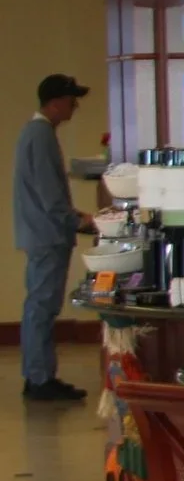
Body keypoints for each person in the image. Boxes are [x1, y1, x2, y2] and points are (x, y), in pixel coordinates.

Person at [14, 74, 94, 402]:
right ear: (55, 101)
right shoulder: (41, 135)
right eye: (71, 99)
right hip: (47, 235)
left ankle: (40, 374)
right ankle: (39, 378)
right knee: (42, 307)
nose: (75, 105)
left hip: (40, 233)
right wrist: (80, 221)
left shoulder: (35, 133)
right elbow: (50, 195)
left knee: (40, 305)